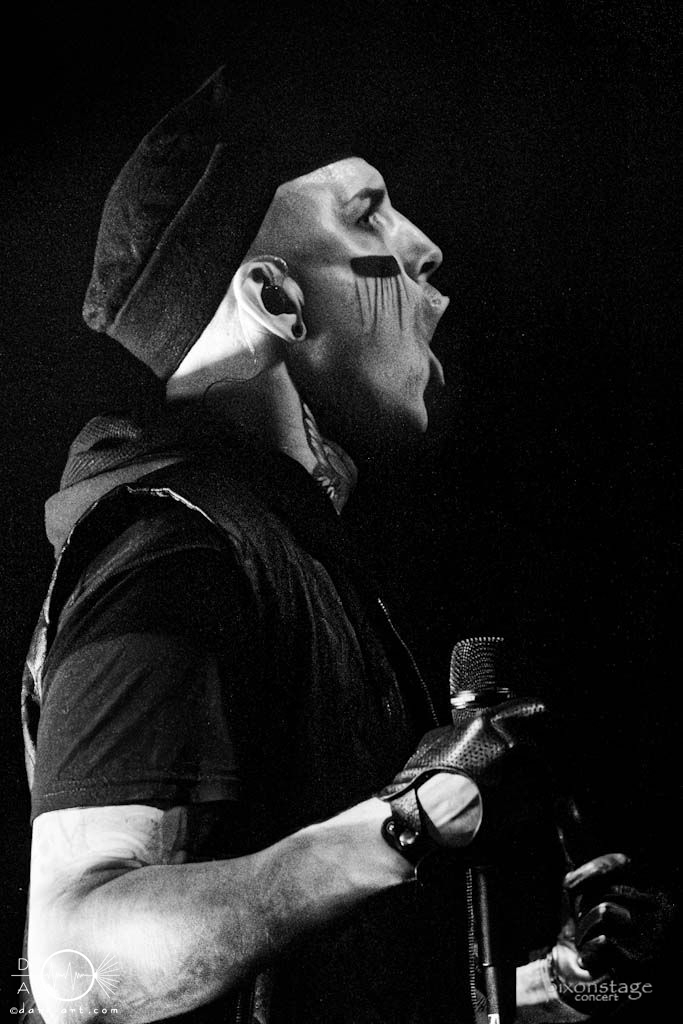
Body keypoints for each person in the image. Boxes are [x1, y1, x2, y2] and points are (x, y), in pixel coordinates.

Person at [22, 67, 666, 1024]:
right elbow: (76, 960)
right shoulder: (175, 550)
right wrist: (409, 823)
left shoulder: (285, 553)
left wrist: (560, 988)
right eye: (367, 214)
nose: (425, 251)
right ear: (276, 298)